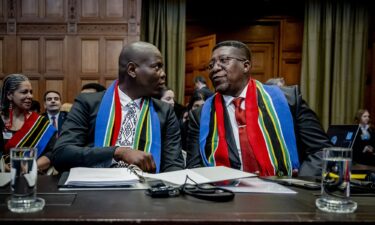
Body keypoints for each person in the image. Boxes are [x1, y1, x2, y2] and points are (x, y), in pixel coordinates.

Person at [186, 40, 331, 177]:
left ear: (246, 66)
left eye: (224, 60)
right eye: (211, 65)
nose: (215, 68)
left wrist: (298, 183)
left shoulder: (288, 99)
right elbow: (195, 167)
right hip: (224, 196)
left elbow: (322, 151)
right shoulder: (200, 116)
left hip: (284, 194)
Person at [53, 41, 184, 173]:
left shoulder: (165, 112)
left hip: (147, 190)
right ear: (132, 70)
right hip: (95, 189)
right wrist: (118, 152)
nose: (163, 74)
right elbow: (62, 154)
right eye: (157, 67)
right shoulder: (88, 103)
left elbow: (174, 167)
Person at [0, 74, 57, 172]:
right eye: (24, 92)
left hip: (32, 176)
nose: (30, 96)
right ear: (10, 95)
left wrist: (30, 166)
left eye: (31, 92)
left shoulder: (40, 122)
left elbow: (52, 153)